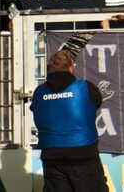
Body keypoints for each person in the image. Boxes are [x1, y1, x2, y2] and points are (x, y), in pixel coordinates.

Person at [30, 49, 106, 192]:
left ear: (50, 69)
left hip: (52, 158)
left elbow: (36, 110)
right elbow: (96, 103)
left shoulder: (39, 92)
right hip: (83, 156)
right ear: (71, 68)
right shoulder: (85, 87)